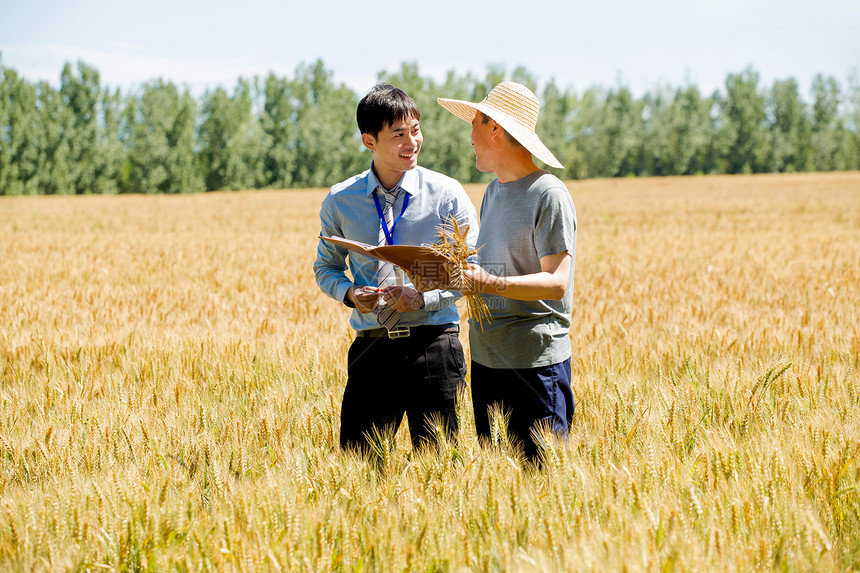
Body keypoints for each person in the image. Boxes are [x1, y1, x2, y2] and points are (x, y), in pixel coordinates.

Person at [314, 83, 478, 454]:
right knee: (358, 466)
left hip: (436, 344)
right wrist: (351, 293)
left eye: (416, 130)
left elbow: (472, 269)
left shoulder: (446, 193)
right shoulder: (341, 200)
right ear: (369, 141)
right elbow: (326, 267)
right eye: (398, 134)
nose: (412, 142)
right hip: (372, 349)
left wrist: (422, 298)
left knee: (440, 468)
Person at [429, 81, 577, 460]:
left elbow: (557, 283)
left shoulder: (549, 194)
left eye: (474, 125)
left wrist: (488, 281)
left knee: (542, 483)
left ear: (495, 128)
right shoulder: (492, 192)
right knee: (500, 483)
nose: (470, 138)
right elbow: (490, 270)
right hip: (487, 360)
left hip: (534, 364)